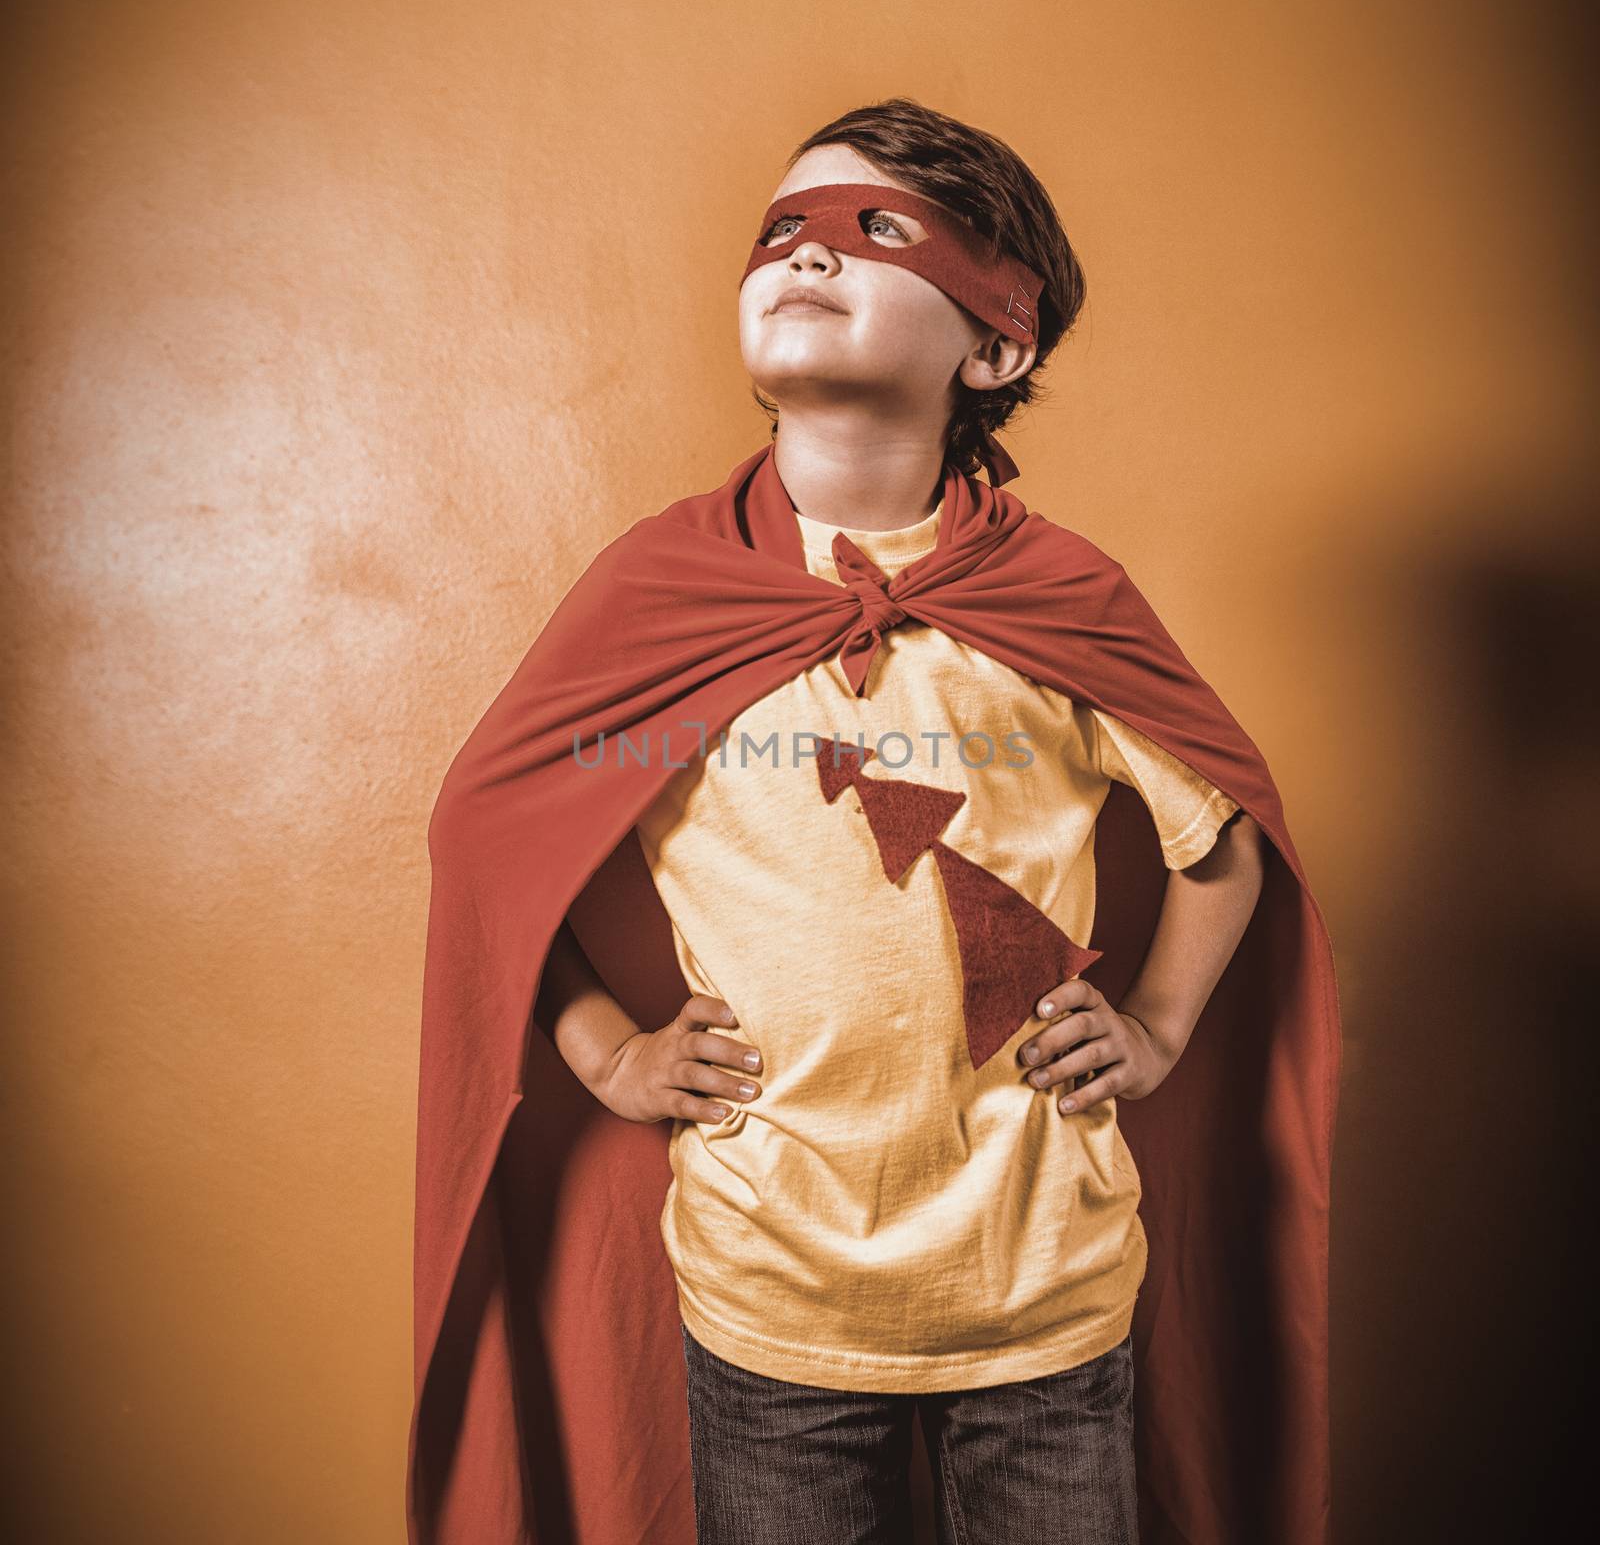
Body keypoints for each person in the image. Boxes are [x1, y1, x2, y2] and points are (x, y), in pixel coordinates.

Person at [409, 97, 1340, 1545]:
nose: (808, 254)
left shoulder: (1055, 604)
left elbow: (1218, 833)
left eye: (875, 230)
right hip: (768, 1285)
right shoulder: (669, 602)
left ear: (996, 343)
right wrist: (607, 1051)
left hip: (1043, 1283)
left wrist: (1154, 1027)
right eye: (782, 229)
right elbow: (498, 830)